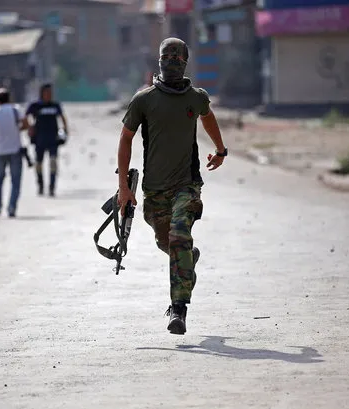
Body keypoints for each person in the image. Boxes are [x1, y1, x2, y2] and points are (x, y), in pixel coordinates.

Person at [116, 38, 228, 335]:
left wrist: (220, 149)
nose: (172, 61)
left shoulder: (196, 97)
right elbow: (126, 138)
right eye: (167, 56)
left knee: (179, 236)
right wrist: (124, 188)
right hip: (154, 191)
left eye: (178, 57)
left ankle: (178, 309)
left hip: (187, 185)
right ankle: (188, 259)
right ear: (159, 60)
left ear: (186, 62)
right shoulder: (144, 100)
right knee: (166, 243)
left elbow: (208, 117)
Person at [0, 88, 28, 218]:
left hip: (0, 151)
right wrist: (16, 129)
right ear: (9, 98)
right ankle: (11, 207)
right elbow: (26, 124)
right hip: (15, 150)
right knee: (15, 181)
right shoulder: (16, 110)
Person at [25, 83, 69, 197]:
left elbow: (62, 118)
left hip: (53, 138)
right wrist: (30, 128)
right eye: (47, 93)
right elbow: (26, 117)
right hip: (39, 138)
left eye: (50, 93)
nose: (49, 95)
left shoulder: (55, 105)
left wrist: (65, 130)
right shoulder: (35, 106)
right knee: (38, 163)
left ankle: (52, 187)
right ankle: (40, 185)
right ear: (42, 93)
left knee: (53, 162)